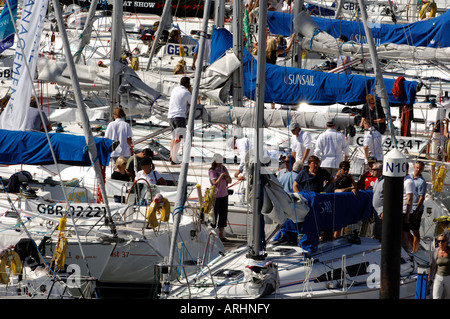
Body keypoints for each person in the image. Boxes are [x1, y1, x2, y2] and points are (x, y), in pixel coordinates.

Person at [168, 76, 192, 164]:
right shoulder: (186, 92)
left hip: (170, 116)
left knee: (173, 137)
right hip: (179, 116)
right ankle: (174, 159)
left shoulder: (175, 89)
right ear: (187, 84)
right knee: (178, 138)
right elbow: (193, 103)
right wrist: (191, 91)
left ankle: (171, 156)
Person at [209, 153, 232, 242]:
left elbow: (229, 180)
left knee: (223, 215)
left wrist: (225, 176)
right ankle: (212, 235)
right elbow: (215, 183)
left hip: (224, 195)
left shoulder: (224, 168)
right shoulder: (212, 170)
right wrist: (222, 176)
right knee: (214, 215)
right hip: (216, 196)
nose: (220, 164)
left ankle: (221, 235)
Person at [408, 161, 427, 253]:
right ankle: (413, 247)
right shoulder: (409, 177)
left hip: (416, 208)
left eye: (421, 168)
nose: (419, 170)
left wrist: (416, 211)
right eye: (417, 167)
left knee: (415, 231)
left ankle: (414, 251)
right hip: (408, 208)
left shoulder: (422, 182)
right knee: (405, 230)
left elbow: (422, 198)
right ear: (414, 167)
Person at [429, 233, 450, 299]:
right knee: (436, 297)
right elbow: (433, 265)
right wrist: (430, 276)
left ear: (447, 241)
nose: (440, 243)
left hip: (448, 277)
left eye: (443, 241)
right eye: (439, 241)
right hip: (438, 277)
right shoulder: (436, 251)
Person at [402, 165, 415, 253]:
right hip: (400, 211)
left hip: (404, 212)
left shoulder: (408, 182)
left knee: (404, 234)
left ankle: (406, 253)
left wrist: (407, 215)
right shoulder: (403, 180)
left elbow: (409, 199)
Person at [371, 161, 384, 240]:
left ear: (381, 170)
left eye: (374, 170)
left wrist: (384, 211)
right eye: (372, 169)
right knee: (375, 232)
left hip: (381, 212)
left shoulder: (385, 181)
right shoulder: (376, 181)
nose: (372, 171)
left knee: (380, 234)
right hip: (375, 211)